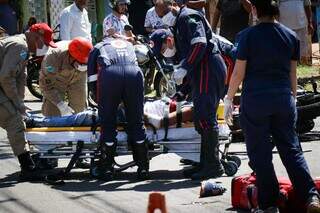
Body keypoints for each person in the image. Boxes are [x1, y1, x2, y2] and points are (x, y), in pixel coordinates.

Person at [223, 0, 320, 212]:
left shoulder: (248, 36)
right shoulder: (290, 36)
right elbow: (292, 73)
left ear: (255, 10)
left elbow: (239, 72)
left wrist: (229, 98)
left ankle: (269, 203)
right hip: (283, 99)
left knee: (260, 154)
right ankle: (311, 196)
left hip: (256, 101)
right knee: (291, 150)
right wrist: (292, 98)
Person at [150, 1, 227, 180]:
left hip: (208, 67)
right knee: (201, 116)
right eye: (160, 16)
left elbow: (199, 44)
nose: (163, 18)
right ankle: (205, 163)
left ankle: (213, 166)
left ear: (173, 5)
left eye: (164, 13)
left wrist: (184, 66)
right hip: (202, 69)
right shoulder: (179, 23)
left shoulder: (188, 17)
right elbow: (192, 59)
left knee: (206, 117)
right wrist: (180, 93)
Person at [0, 23, 57, 180]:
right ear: (34, 36)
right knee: (14, 122)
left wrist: (20, 103)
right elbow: (6, 77)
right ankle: (28, 168)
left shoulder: (23, 47)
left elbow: (20, 78)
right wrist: (17, 105)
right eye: (42, 43)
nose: (43, 48)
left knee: (16, 117)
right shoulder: (20, 46)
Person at [87, 37, 149, 181]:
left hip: (110, 75)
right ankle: (143, 167)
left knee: (108, 122)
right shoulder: (128, 45)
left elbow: (91, 75)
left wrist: (96, 96)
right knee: (137, 121)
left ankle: (107, 168)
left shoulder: (98, 46)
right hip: (134, 73)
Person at [39, 37, 93, 117]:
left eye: (84, 64)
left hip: (79, 78)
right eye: (80, 63)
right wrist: (61, 105)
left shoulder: (89, 53)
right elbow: (46, 86)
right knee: (53, 113)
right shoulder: (53, 57)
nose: (82, 65)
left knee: (80, 110)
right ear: (71, 56)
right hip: (57, 80)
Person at [278, 0, 313, 65]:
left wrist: (310, 22)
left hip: (301, 24)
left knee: (302, 48)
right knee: (286, 48)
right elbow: (275, 7)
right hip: (284, 26)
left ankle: (303, 64)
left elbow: (307, 5)